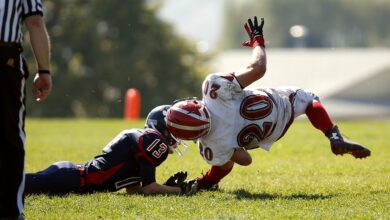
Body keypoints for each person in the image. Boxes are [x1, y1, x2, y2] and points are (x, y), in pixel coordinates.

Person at [165, 16, 371, 192]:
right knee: (309, 100)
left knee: (224, 159)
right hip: (279, 103)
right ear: (191, 104)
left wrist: (230, 147)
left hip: (271, 133)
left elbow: (246, 160)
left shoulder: (210, 145)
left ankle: (206, 183)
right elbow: (258, 68)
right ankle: (334, 136)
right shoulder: (214, 88)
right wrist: (257, 42)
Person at [24, 105, 191, 196]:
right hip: (73, 179)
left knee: (17, 185)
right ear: (161, 127)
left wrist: (164, 188)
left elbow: (134, 190)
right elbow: (150, 188)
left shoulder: (144, 139)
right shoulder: (152, 140)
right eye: (173, 129)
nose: (177, 135)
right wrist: (181, 190)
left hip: (72, 175)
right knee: (15, 186)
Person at [0, 0, 52, 218]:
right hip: (5, 60)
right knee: (10, 137)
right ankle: (11, 211)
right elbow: (35, 22)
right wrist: (44, 70)